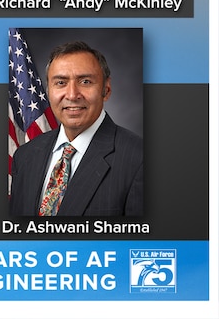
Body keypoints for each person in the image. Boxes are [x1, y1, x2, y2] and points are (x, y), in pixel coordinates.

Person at [9, 41, 143, 216]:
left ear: (106, 89)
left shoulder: (138, 158)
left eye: (85, 81)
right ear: (48, 90)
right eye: (61, 82)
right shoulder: (25, 155)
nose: (72, 95)